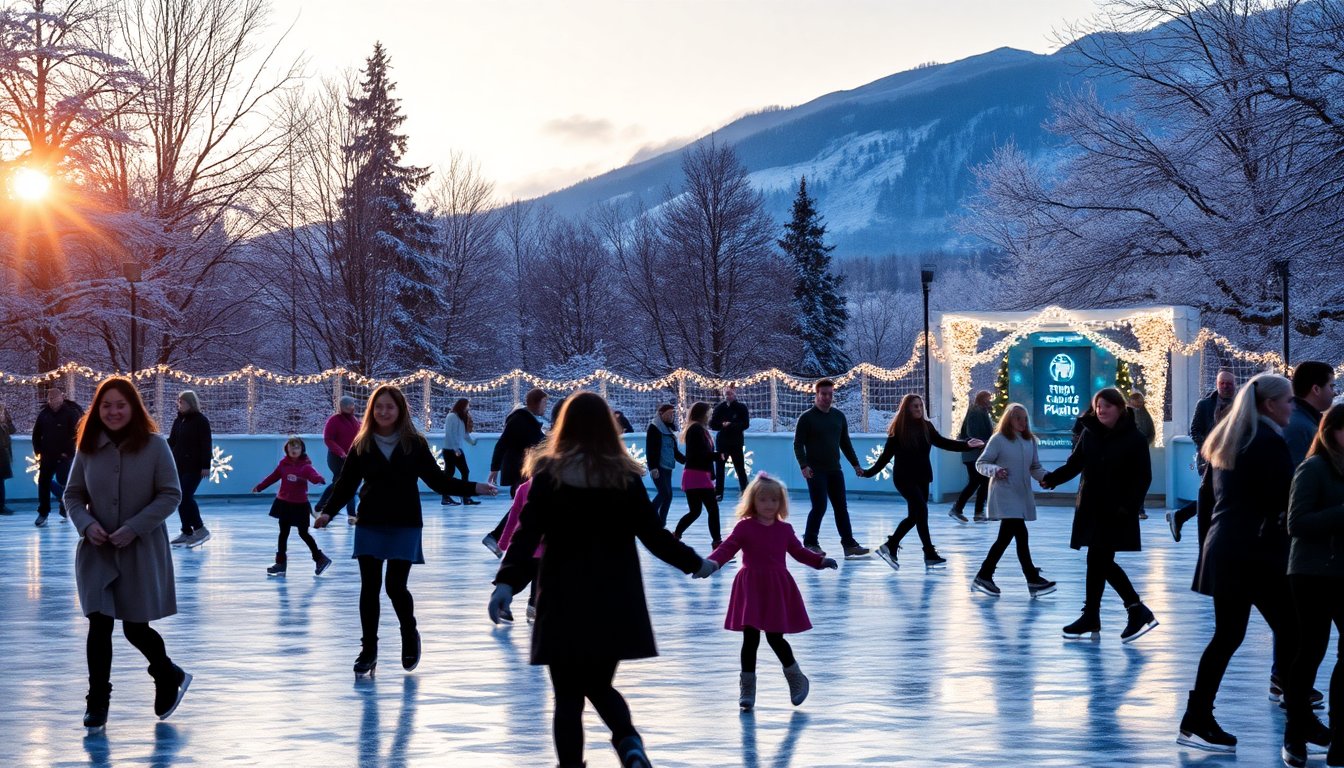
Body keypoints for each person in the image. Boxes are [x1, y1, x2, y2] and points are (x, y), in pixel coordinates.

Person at [487, 391, 715, 768]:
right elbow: (653, 534)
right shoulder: (623, 476)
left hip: (563, 595)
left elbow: (527, 535)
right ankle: (628, 742)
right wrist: (694, 563)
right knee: (598, 683)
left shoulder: (549, 474)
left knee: (568, 697)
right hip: (614, 597)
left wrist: (506, 583)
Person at [315, 384, 496, 677]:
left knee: (395, 587)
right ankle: (369, 649)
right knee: (369, 588)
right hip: (371, 521)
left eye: (390, 407)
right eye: (379, 407)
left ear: (400, 411)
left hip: (404, 522)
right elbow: (346, 483)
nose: (384, 412)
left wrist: (475, 487)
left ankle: (409, 633)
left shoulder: (414, 443)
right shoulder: (362, 443)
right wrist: (328, 512)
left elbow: (439, 481)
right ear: (372, 410)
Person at [1176, 372, 1298, 754]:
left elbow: (1208, 501)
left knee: (1228, 636)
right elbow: (1284, 503)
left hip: (1229, 550)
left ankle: (1197, 718)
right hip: (1256, 554)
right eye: (1289, 401)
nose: (1292, 408)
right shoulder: (1267, 443)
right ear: (1270, 404)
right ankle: (1300, 721)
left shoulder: (1230, 439)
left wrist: (1207, 551)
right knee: (1293, 632)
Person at [63, 377, 189, 732]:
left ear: (133, 408)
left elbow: (170, 494)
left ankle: (166, 673)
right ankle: (97, 701)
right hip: (97, 552)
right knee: (98, 624)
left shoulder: (154, 446)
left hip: (140, 549)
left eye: (120, 405)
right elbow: (72, 495)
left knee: (136, 627)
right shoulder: (87, 448)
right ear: (97, 410)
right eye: (106, 406)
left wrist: (135, 527)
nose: (113, 412)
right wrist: (87, 524)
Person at [704, 473, 838, 711]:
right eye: (764, 500)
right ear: (753, 501)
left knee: (775, 638)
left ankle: (796, 678)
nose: (769, 505)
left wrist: (820, 561)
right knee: (750, 638)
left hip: (776, 587)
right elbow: (728, 547)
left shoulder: (784, 530)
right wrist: (712, 564)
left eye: (774, 500)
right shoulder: (745, 527)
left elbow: (799, 552)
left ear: (781, 503)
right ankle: (748, 688)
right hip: (751, 586)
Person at [1041, 387, 1157, 642]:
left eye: (1107, 406)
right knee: (1098, 560)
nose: (1101, 411)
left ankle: (1128, 610)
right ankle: (1107, 613)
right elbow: (1075, 463)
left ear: (1119, 408)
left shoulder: (1134, 439)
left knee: (1099, 560)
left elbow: (1142, 478)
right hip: (1092, 508)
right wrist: (1052, 479)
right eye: (1098, 406)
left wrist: (1127, 507)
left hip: (1116, 511)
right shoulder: (1089, 434)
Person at [1282, 403, 1344, 766]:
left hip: (1341, 572)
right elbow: (1297, 522)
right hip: (1312, 573)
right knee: (1309, 651)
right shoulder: (1314, 468)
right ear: (1331, 431)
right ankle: (1296, 729)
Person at [860, 393, 982, 570]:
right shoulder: (899, 430)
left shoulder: (926, 426)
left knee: (916, 516)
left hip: (923, 477)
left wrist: (966, 444)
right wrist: (867, 473)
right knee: (921, 510)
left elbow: (943, 442)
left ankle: (896, 546)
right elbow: (885, 457)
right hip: (904, 479)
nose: (918, 409)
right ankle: (924, 551)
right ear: (907, 408)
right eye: (914, 406)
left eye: (920, 406)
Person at [970, 403, 1056, 598]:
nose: (1022, 422)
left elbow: (1035, 466)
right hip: (1005, 494)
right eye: (1018, 418)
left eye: (1025, 418)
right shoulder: (998, 439)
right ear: (1008, 419)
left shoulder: (1030, 441)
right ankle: (1031, 578)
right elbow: (981, 463)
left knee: (1007, 538)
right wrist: (995, 470)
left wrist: (1048, 477)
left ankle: (985, 575)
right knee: (1019, 535)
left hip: (1021, 494)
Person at [793, 379, 868, 558]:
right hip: (815, 470)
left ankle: (849, 543)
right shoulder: (807, 418)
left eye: (830, 394)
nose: (827, 398)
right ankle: (811, 542)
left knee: (841, 507)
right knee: (819, 506)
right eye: (823, 394)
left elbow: (845, 443)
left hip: (835, 469)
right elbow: (798, 444)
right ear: (816, 394)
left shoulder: (838, 416)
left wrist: (855, 464)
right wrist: (804, 465)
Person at [1168, 370, 1237, 542]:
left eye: (1229, 383)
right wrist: (1207, 447)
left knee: (1216, 496)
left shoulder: (1239, 405)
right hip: (1209, 459)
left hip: (1230, 457)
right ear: (1217, 384)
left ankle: (1181, 516)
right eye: (1222, 383)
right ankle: (1184, 519)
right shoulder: (1205, 404)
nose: (1226, 387)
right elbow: (1195, 430)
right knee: (1213, 495)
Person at [251, 436, 331, 578]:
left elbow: (314, 476)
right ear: (286, 449)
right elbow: (273, 477)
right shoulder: (283, 465)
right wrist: (260, 487)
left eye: (297, 447)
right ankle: (281, 563)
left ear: (302, 450)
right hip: (284, 503)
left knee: (303, 533)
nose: (294, 450)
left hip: (300, 505)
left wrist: (318, 480)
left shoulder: (305, 466)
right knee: (283, 533)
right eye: (291, 447)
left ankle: (320, 558)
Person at [483, 387, 548, 556]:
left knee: (522, 506)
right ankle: (498, 538)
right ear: (536, 402)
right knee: (522, 506)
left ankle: (498, 539)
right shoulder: (519, 419)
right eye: (544, 403)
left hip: (527, 468)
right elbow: (502, 443)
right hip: (520, 470)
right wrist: (494, 468)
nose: (545, 407)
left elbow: (537, 441)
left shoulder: (529, 420)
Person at [673, 402, 723, 547]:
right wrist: (717, 456)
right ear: (703, 414)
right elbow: (698, 454)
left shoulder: (699, 429)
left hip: (696, 475)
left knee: (695, 511)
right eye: (709, 413)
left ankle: (676, 535)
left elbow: (700, 454)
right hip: (697, 475)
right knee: (712, 510)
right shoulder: (696, 429)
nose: (711, 415)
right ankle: (717, 542)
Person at [32, 385, 83, 526]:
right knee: (43, 482)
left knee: (63, 480)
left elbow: (76, 434)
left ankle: (65, 506)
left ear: (61, 398)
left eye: (54, 397)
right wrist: (38, 451)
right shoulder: (44, 414)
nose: (52, 401)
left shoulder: (70, 413)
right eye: (50, 398)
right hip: (47, 455)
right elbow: (36, 434)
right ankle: (43, 512)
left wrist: (68, 453)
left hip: (64, 456)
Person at [167, 391, 212, 547]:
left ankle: (200, 529)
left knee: (186, 496)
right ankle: (187, 531)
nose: (179, 404)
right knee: (180, 497)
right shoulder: (178, 421)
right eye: (179, 402)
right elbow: (172, 442)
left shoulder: (201, 421)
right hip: (179, 466)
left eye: (182, 402)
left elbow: (206, 444)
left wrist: (206, 465)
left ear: (191, 403)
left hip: (195, 467)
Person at [950, 390, 994, 523]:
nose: (990, 401)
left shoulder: (981, 412)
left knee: (981, 481)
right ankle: (961, 509)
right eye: (988, 398)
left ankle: (974, 511)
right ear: (983, 399)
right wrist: (982, 444)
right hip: (974, 454)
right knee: (978, 481)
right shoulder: (976, 412)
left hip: (976, 453)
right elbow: (973, 432)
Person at [315, 396, 360, 524]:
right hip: (336, 458)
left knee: (343, 484)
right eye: (348, 406)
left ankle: (322, 507)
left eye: (352, 405)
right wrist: (340, 452)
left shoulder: (354, 420)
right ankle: (350, 514)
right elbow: (328, 439)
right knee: (345, 483)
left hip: (350, 458)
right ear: (342, 407)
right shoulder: (334, 420)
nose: (351, 408)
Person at [1284, 361, 1337, 466]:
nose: (1334, 393)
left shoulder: (1297, 419)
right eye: (1331, 386)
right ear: (1316, 389)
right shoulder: (1301, 429)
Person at [644, 404, 684, 527]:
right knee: (664, 493)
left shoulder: (669, 429)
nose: (672, 416)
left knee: (668, 496)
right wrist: (653, 467)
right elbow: (650, 449)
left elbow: (674, 451)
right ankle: (648, 517)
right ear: (661, 413)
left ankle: (661, 523)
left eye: (673, 413)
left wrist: (686, 460)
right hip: (658, 467)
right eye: (669, 413)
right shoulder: (654, 428)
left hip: (668, 466)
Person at [711, 386, 750, 501]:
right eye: (726, 393)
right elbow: (713, 424)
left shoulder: (741, 408)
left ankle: (745, 491)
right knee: (719, 468)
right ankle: (718, 492)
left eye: (730, 393)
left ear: (735, 393)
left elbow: (745, 424)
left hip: (736, 442)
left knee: (740, 467)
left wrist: (731, 425)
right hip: (722, 442)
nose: (728, 396)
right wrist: (722, 425)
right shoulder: (719, 408)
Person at [442, 398, 478, 506]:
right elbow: (450, 434)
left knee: (454, 472)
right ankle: (461, 497)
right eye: (467, 405)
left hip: (456, 449)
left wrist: (472, 442)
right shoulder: (451, 416)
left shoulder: (462, 417)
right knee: (457, 472)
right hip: (450, 450)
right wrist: (456, 449)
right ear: (462, 405)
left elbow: (464, 434)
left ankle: (460, 497)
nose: (468, 408)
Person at [1128, 390, 1156, 519]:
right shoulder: (1126, 413)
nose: (1139, 403)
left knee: (1141, 480)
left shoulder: (1145, 414)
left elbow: (1151, 432)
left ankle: (1140, 509)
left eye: (1140, 400)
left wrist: (1145, 442)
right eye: (1137, 400)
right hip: (1129, 452)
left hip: (1142, 451)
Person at [0, 403, 15, 515]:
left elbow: (12, 430)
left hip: (3, 455)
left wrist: (7, 419)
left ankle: (1, 505)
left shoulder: (3, 425)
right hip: (1, 455)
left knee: (1, 481)